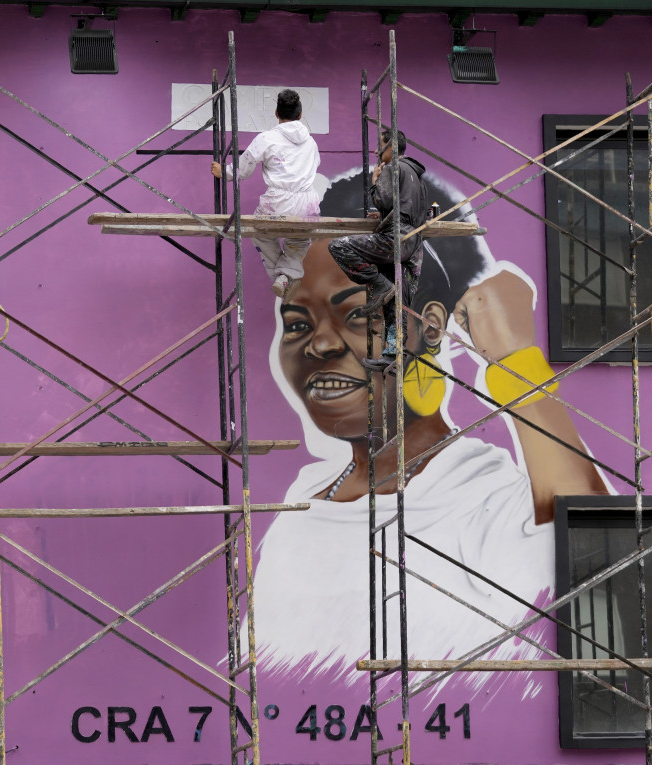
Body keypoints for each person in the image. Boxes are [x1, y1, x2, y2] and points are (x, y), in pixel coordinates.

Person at [250, 171, 608, 684]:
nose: (319, 345)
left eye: (356, 315)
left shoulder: (484, 501)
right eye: (298, 324)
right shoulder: (307, 497)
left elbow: (597, 565)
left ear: (430, 326)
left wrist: (517, 364)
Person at [326, 129, 428, 358]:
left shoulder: (393, 168)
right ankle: (393, 352)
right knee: (396, 302)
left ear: (391, 147)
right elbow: (408, 208)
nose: (375, 151)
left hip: (395, 239)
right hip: (413, 245)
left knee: (338, 246)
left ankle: (379, 284)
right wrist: (384, 216)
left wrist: (375, 182)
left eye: (379, 146)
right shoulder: (417, 175)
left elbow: (382, 198)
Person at [211, 89, 321, 300]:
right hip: (308, 204)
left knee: (259, 232)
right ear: (300, 115)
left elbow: (243, 170)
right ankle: (287, 274)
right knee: (298, 240)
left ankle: (281, 276)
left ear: (276, 113)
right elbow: (314, 167)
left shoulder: (267, 138)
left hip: (278, 202)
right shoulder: (311, 143)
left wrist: (222, 172)